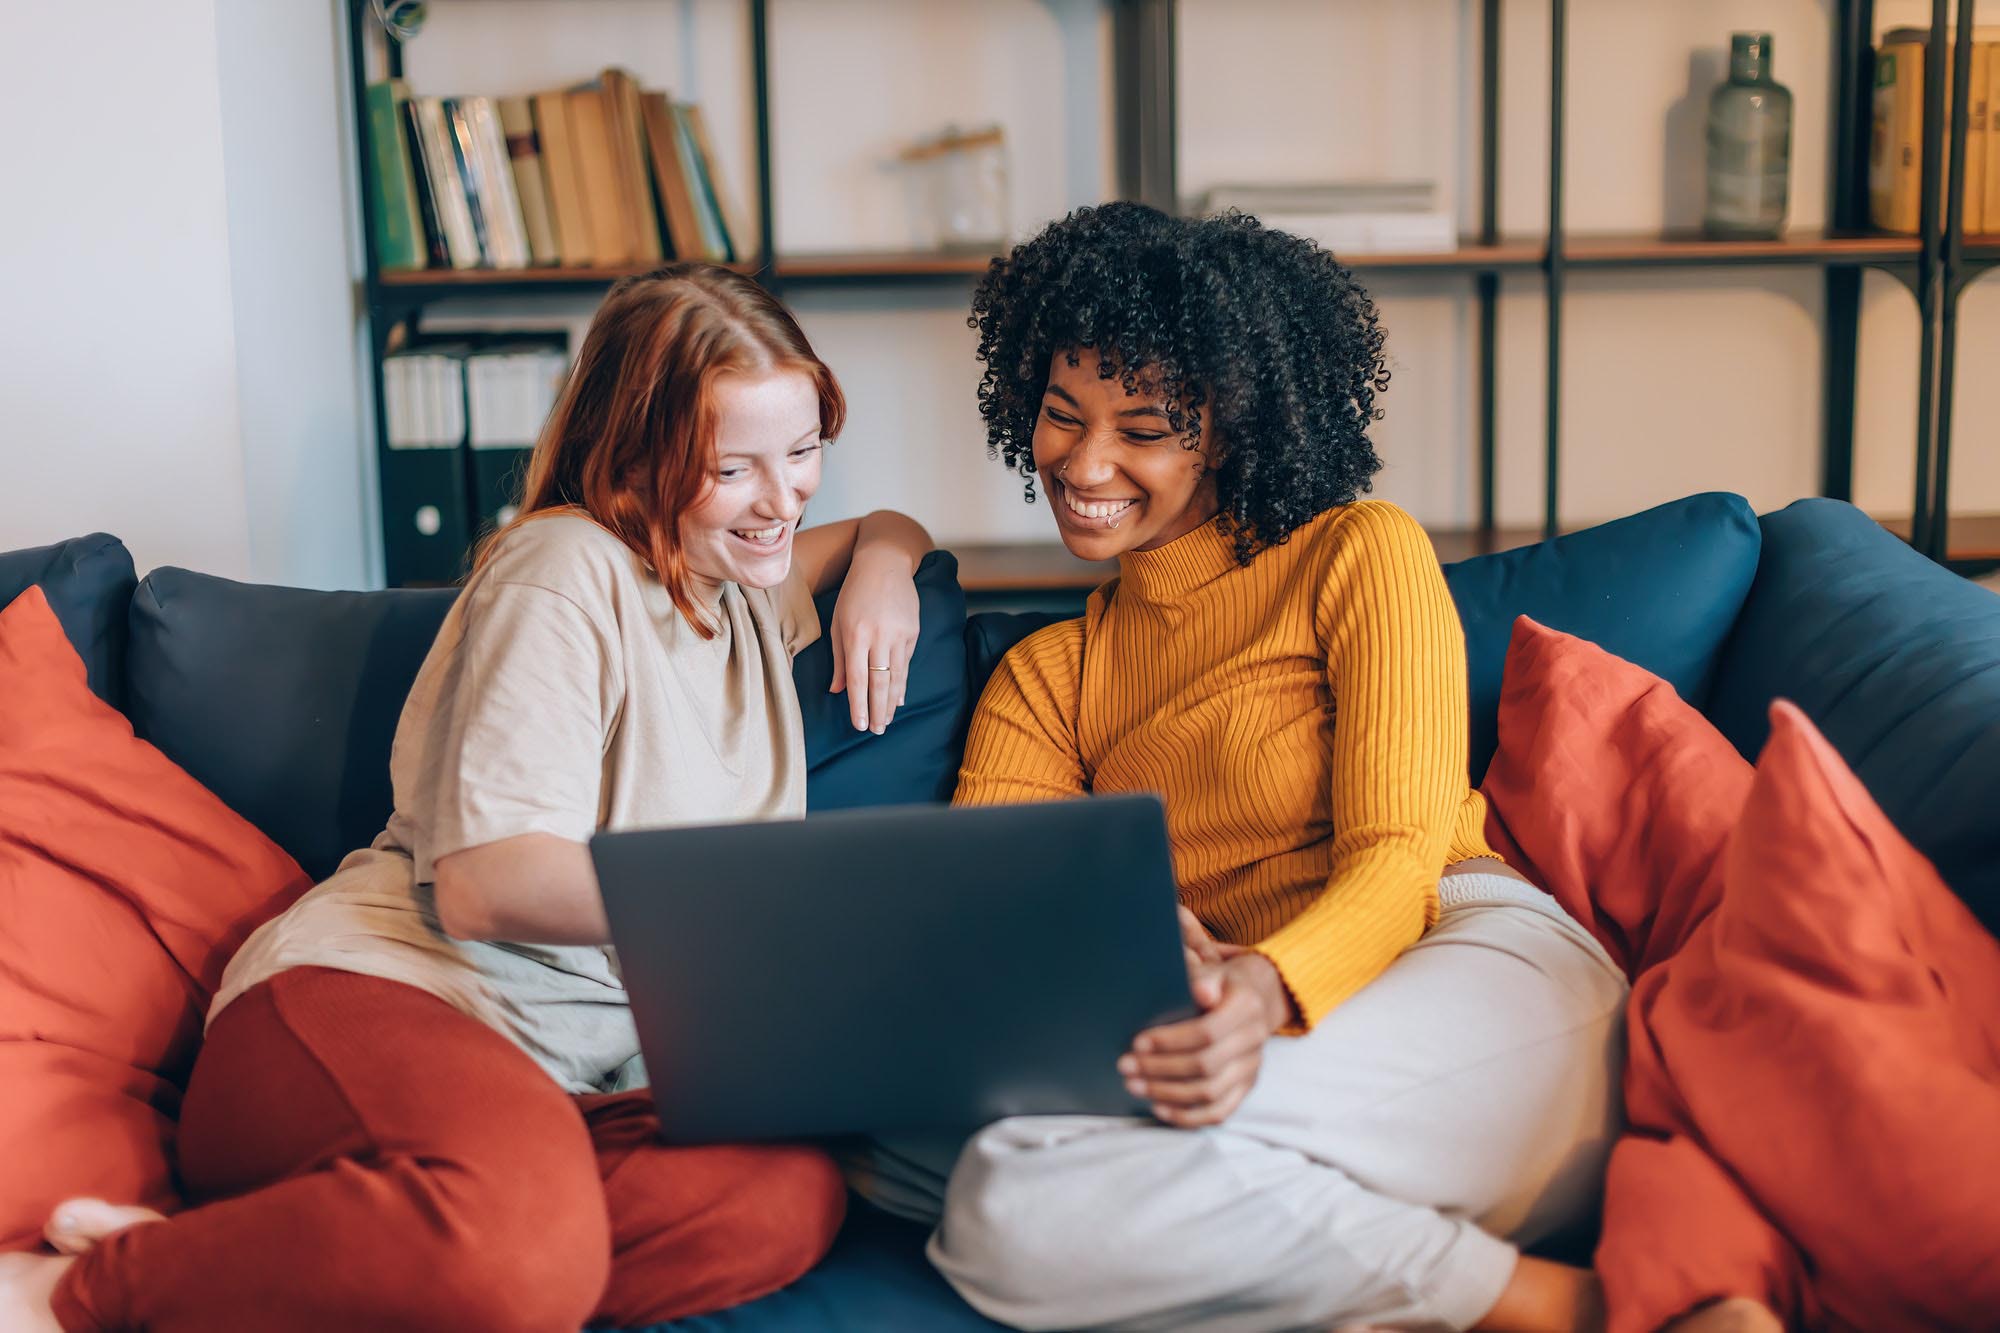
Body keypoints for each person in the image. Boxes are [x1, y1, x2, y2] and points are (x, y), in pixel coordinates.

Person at [0, 263, 933, 1333]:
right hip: (389, 1005)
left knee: (778, 1201)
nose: (782, 500)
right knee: (519, 1241)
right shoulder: (566, 567)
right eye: (732, 467)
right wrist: (768, 901)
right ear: (637, 457)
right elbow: (491, 886)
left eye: (805, 449)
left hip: (573, 1087)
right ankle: (76, 1290)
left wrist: (889, 556)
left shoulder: (740, 588)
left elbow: (870, 530)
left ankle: (305, 1259)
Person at [848, 202, 1634, 1333]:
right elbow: (994, 919)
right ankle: (1472, 1290)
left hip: (1463, 966)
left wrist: (1266, 986)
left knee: (1011, 1203)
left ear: (1228, 428)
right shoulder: (1046, 677)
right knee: (952, 1165)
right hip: (1230, 1035)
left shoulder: (1357, 552)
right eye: (1061, 416)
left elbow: (1398, 857)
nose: (1084, 461)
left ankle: (1585, 1313)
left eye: (1144, 428)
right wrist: (1121, 939)